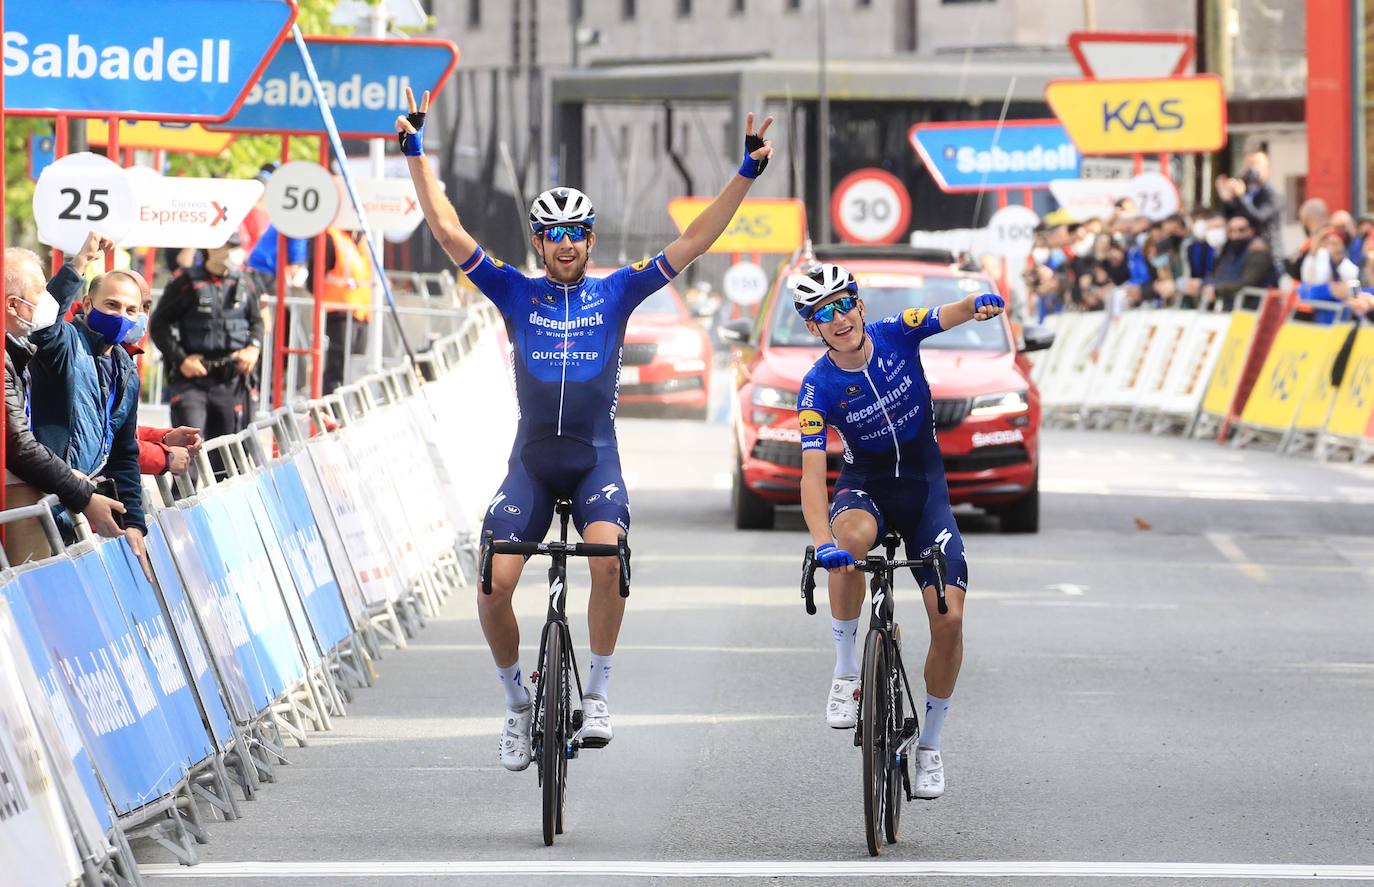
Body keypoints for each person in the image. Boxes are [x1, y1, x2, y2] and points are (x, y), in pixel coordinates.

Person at [397, 86, 774, 771]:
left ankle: (596, 692)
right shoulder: (516, 289)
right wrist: (416, 153)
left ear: (590, 240)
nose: (565, 243)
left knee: (607, 557)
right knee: (493, 586)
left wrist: (744, 173)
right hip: (534, 463)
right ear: (539, 241)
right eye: (553, 233)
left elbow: (693, 241)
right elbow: (450, 232)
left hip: (596, 459)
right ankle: (517, 704)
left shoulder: (617, 290)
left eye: (576, 233)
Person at [793, 263, 1004, 800]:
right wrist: (821, 542)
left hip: (925, 492)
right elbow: (813, 473)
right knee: (849, 544)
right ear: (812, 326)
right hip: (866, 488)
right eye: (822, 313)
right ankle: (846, 673)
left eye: (844, 304)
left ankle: (930, 747)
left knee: (950, 620)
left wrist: (976, 303)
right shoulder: (817, 386)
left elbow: (944, 315)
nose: (837, 318)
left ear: (860, 304)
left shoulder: (895, 332)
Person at [27, 233, 152, 575]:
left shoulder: (126, 370)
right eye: (111, 305)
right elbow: (42, 324)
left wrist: (134, 524)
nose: (121, 316)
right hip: (43, 501)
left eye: (131, 310)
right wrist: (79, 263)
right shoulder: (63, 342)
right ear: (86, 303)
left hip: (81, 510)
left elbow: (125, 453)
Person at [4, 246, 127, 564]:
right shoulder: (20, 353)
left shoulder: (18, 351)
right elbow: (18, 446)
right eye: (40, 294)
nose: (45, 302)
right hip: (26, 494)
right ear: (14, 305)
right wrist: (79, 491)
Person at [150, 233, 263, 443]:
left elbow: (257, 321)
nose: (233, 252)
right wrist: (181, 359)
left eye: (236, 247)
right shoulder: (186, 282)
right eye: (228, 246)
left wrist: (253, 348)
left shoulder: (246, 282)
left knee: (228, 454)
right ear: (211, 248)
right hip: (193, 378)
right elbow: (158, 324)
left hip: (232, 377)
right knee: (190, 447)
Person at [1216, 150, 1284, 273]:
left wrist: (1241, 197)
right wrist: (1227, 199)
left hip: (1266, 256)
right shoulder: (1243, 192)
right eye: (1248, 164)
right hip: (1240, 254)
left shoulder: (1273, 195)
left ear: (1267, 168)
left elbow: (1258, 217)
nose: (1251, 169)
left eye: (1255, 164)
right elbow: (1230, 218)